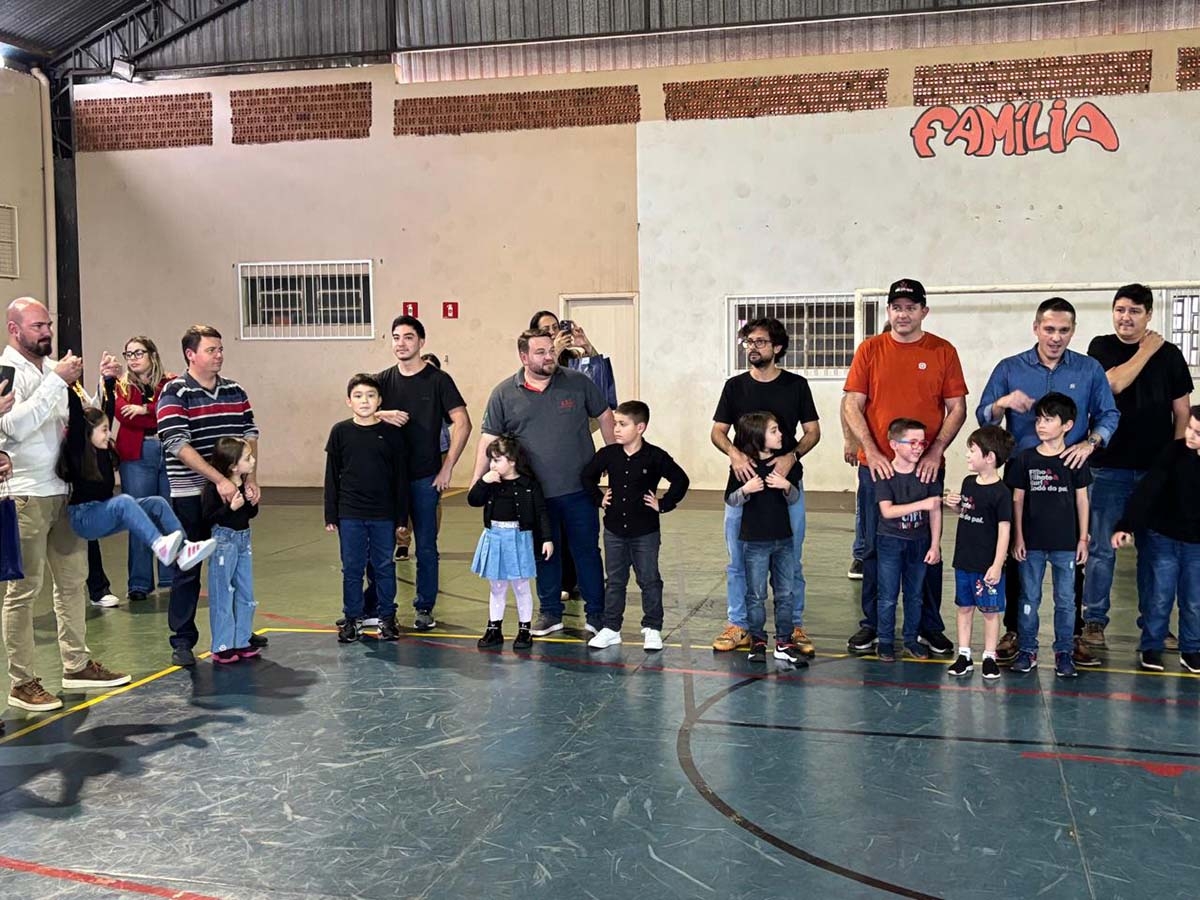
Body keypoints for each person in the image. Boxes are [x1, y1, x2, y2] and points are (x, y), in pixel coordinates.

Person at [1, 297, 130, 712]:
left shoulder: (52, 369)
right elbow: (14, 427)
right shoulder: (7, 372)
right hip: (25, 493)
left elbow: (79, 418)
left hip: (64, 490)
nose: (47, 332)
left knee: (73, 582)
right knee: (23, 590)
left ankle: (76, 664)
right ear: (14, 330)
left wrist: (103, 385)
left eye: (48, 325)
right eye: (37, 326)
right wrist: (56, 381)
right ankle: (22, 682)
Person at [977, 297, 1119, 665]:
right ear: (1036, 328)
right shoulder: (1010, 368)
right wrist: (1003, 402)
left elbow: (1109, 414)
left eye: (1064, 330)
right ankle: (1014, 630)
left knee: (1072, 555)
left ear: (1073, 331)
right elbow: (984, 415)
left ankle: (1071, 637)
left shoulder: (1089, 369)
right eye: (1049, 329)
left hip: (1070, 476)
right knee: (1015, 552)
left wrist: (1090, 443)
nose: (1056, 337)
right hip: (1021, 475)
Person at [842, 280, 966, 657]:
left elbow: (957, 408)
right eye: (896, 307)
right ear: (888, 311)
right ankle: (872, 625)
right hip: (877, 469)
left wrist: (935, 451)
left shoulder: (943, 351)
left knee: (926, 548)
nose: (903, 314)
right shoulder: (870, 350)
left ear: (924, 311)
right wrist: (871, 450)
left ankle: (928, 626)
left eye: (911, 307)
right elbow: (852, 404)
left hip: (925, 471)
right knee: (873, 548)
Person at [475, 328, 615, 636]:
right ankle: (551, 613)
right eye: (540, 352)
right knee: (545, 553)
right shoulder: (504, 393)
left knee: (586, 552)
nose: (549, 356)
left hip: (579, 491)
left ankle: (597, 614)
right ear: (524, 357)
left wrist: (613, 460)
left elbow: (605, 415)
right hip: (534, 495)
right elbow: (489, 437)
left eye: (551, 350)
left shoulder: (578, 382)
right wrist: (478, 483)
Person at [1082, 284, 1194, 649]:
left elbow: (1181, 411)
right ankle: (1094, 621)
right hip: (1108, 468)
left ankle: (1155, 624)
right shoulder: (1100, 348)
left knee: (1155, 552)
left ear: (1149, 315)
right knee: (1101, 549)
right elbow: (1113, 384)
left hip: (1154, 472)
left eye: (1134, 311)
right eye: (1120, 310)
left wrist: (1176, 460)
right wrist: (1146, 349)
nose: (1125, 317)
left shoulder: (1171, 355)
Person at [711, 317, 820, 656]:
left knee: (791, 559)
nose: (752, 348)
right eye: (749, 342)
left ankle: (793, 625)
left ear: (777, 347)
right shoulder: (734, 387)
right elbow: (717, 432)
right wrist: (734, 455)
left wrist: (791, 456)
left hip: (786, 486)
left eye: (759, 342)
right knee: (737, 559)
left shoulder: (796, 385)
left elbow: (813, 432)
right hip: (744, 487)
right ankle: (739, 624)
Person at [157, 324, 262, 668]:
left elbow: (250, 433)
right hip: (192, 494)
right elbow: (176, 443)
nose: (218, 355)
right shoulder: (175, 392)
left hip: (231, 494)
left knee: (234, 565)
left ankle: (238, 634)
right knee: (188, 566)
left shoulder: (235, 391)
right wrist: (218, 480)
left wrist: (250, 479)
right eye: (211, 350)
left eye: (220, 349)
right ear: (191, 354)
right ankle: (182, 639)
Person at [374, 315, 472, 631]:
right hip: (388, 479)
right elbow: (358, 409)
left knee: (426, 546)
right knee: (380, 545)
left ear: (421, 342)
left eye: (408, 337)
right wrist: (382, 413)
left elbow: (463, 423)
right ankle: (380, 607)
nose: (401, 343)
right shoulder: (381, 381)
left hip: (425, 477)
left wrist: (447, 467)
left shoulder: (438, 380)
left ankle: (424, 607)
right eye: (396, 337)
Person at [63, 387, 215, 575]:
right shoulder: (78, 451)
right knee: (124, 501)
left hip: (103, 512)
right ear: (86, 432)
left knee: (157, 503)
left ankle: (183, 551)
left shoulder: (103, 450)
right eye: (104, 430)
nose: (109, 434)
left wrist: (109, 381)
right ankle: (159, 545)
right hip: (84, 518)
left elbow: (108, 407)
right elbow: (77, 419)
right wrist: (67, 383)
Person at [581, 400, 690, 652]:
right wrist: (599, 498)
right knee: (615, 581)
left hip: (645, 532)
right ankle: (611, 628)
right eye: (615, 424)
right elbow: (587, 476)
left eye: (623, 424)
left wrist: (663, 504)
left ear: (640, 427)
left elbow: (680, 480)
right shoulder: (608, 455)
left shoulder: (655, 456)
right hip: (614, 530)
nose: (616, 429)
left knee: (649, 580)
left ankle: (652, 628)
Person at [1006, 393, 1092, 678]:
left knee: (1066, 600)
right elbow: (1017, 500)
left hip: (1066, 544)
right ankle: (1027, 649)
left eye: (1048, 419)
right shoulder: (1025, 459)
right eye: (1038, 419)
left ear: (1067, 425)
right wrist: (1018, 537)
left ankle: (1064, 651)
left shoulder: (1075, 460)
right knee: (1028, 598)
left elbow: (1082, 500)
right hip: (1031, 543)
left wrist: (1083, 538)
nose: (1041, 425)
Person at [1112, 406, 1200, 673]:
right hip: (1163, 536)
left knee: (1194, 599)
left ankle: (1191, 650)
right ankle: (1151, 647)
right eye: (1190, 428)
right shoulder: (1173, 453)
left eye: (1197, 432)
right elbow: (1147, 491)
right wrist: (1126, 525)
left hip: (1196, 543)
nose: (1190, 435)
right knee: (1160, 595)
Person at [324, 374, 409, 644]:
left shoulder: (392, 434)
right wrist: (331, 513)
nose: (364, 401)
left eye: (371, 395)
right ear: (348, 401)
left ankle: (387, 618)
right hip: (350, 513)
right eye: (358, 396)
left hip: (383, 514)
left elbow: (400, 478)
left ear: (380, 400)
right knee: (352, 568)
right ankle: (352, 619)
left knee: (384, 566)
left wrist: (401, 517)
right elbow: (332, 475)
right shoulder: (340, 432)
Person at [724, 412, 808, 666]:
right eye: (774, 431)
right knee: (756, 594)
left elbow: (794, 498)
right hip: (755, 543)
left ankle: (784, 642)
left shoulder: (784, 467)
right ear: (757, 437)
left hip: (783, 541)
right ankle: (758, 640)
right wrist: (745, 490)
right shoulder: (743, 469)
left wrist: (786, 486)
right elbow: (730, 499)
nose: (781, 434)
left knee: (785, 593)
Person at [942, 425, 1015, 680]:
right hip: (964, 560)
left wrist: (997, 564)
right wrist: (954, 505)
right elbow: (966, 512)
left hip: (987, 565)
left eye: (972, 450)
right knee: (964, 607)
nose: (967, 455)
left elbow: (1004, 531)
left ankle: (989, 656)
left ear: (990, 457)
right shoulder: (968, 483)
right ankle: (964, 654)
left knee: (990, 611)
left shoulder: (1001, 493)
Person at [467, 434, 551, 652]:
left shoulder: (528, 485)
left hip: (518, 538)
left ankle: (524, 630)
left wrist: (547, 539)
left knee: (521, 586)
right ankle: (494, 628)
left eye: (497, 460)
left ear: (512, 461)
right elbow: (473, 500)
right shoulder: (491, 483)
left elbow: (541, 512)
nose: (492, 465)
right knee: (497, 586)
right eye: (491, 460)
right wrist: (483, 482)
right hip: (495, 536)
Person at [873, 419, 944, 662]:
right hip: (890, 541)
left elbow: (935, 512)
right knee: (887, 596)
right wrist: (922, 504)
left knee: (915, 595)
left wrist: (934, 545)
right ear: (894, 444)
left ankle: (911, 639)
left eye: (922, 442)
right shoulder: (886, 474)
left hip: (919, 541)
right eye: (912, 442)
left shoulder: (927, 474)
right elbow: (887, 511)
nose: (918, 447)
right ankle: (885, 640)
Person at [114, 336, 177, 602]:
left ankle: (170, 576)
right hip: (137, 454)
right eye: (128, 354)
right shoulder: (121, 386)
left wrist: (143, 409)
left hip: (168, 451)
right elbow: (122, 415)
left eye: (138, 353)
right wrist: (148, 413)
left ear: (152, 354)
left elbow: (169, 413)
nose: (133, 358)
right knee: (139, 516)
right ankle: (139, 582)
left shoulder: (170, 383)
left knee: (168, 514)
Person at [201, 437, 261, 663]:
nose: (253, 461)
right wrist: (230, 507)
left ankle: (242, 639)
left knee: (245, 591)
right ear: (233, 466)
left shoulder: (244, 484)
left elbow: (249, 515)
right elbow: (208, 518)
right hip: (224, 542)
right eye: (248, 458)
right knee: (223, 592)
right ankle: (222, 644)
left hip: (243, 540)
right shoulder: (214, 488)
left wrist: (251, 502)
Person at [393, 352, 450, 563]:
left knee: (433, 500)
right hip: (407, 452)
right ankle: (402, 542)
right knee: (404, 497)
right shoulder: (404, 389)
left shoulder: (441, 388)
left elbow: (453, 419)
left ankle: (429, 541)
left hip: (438, 450)